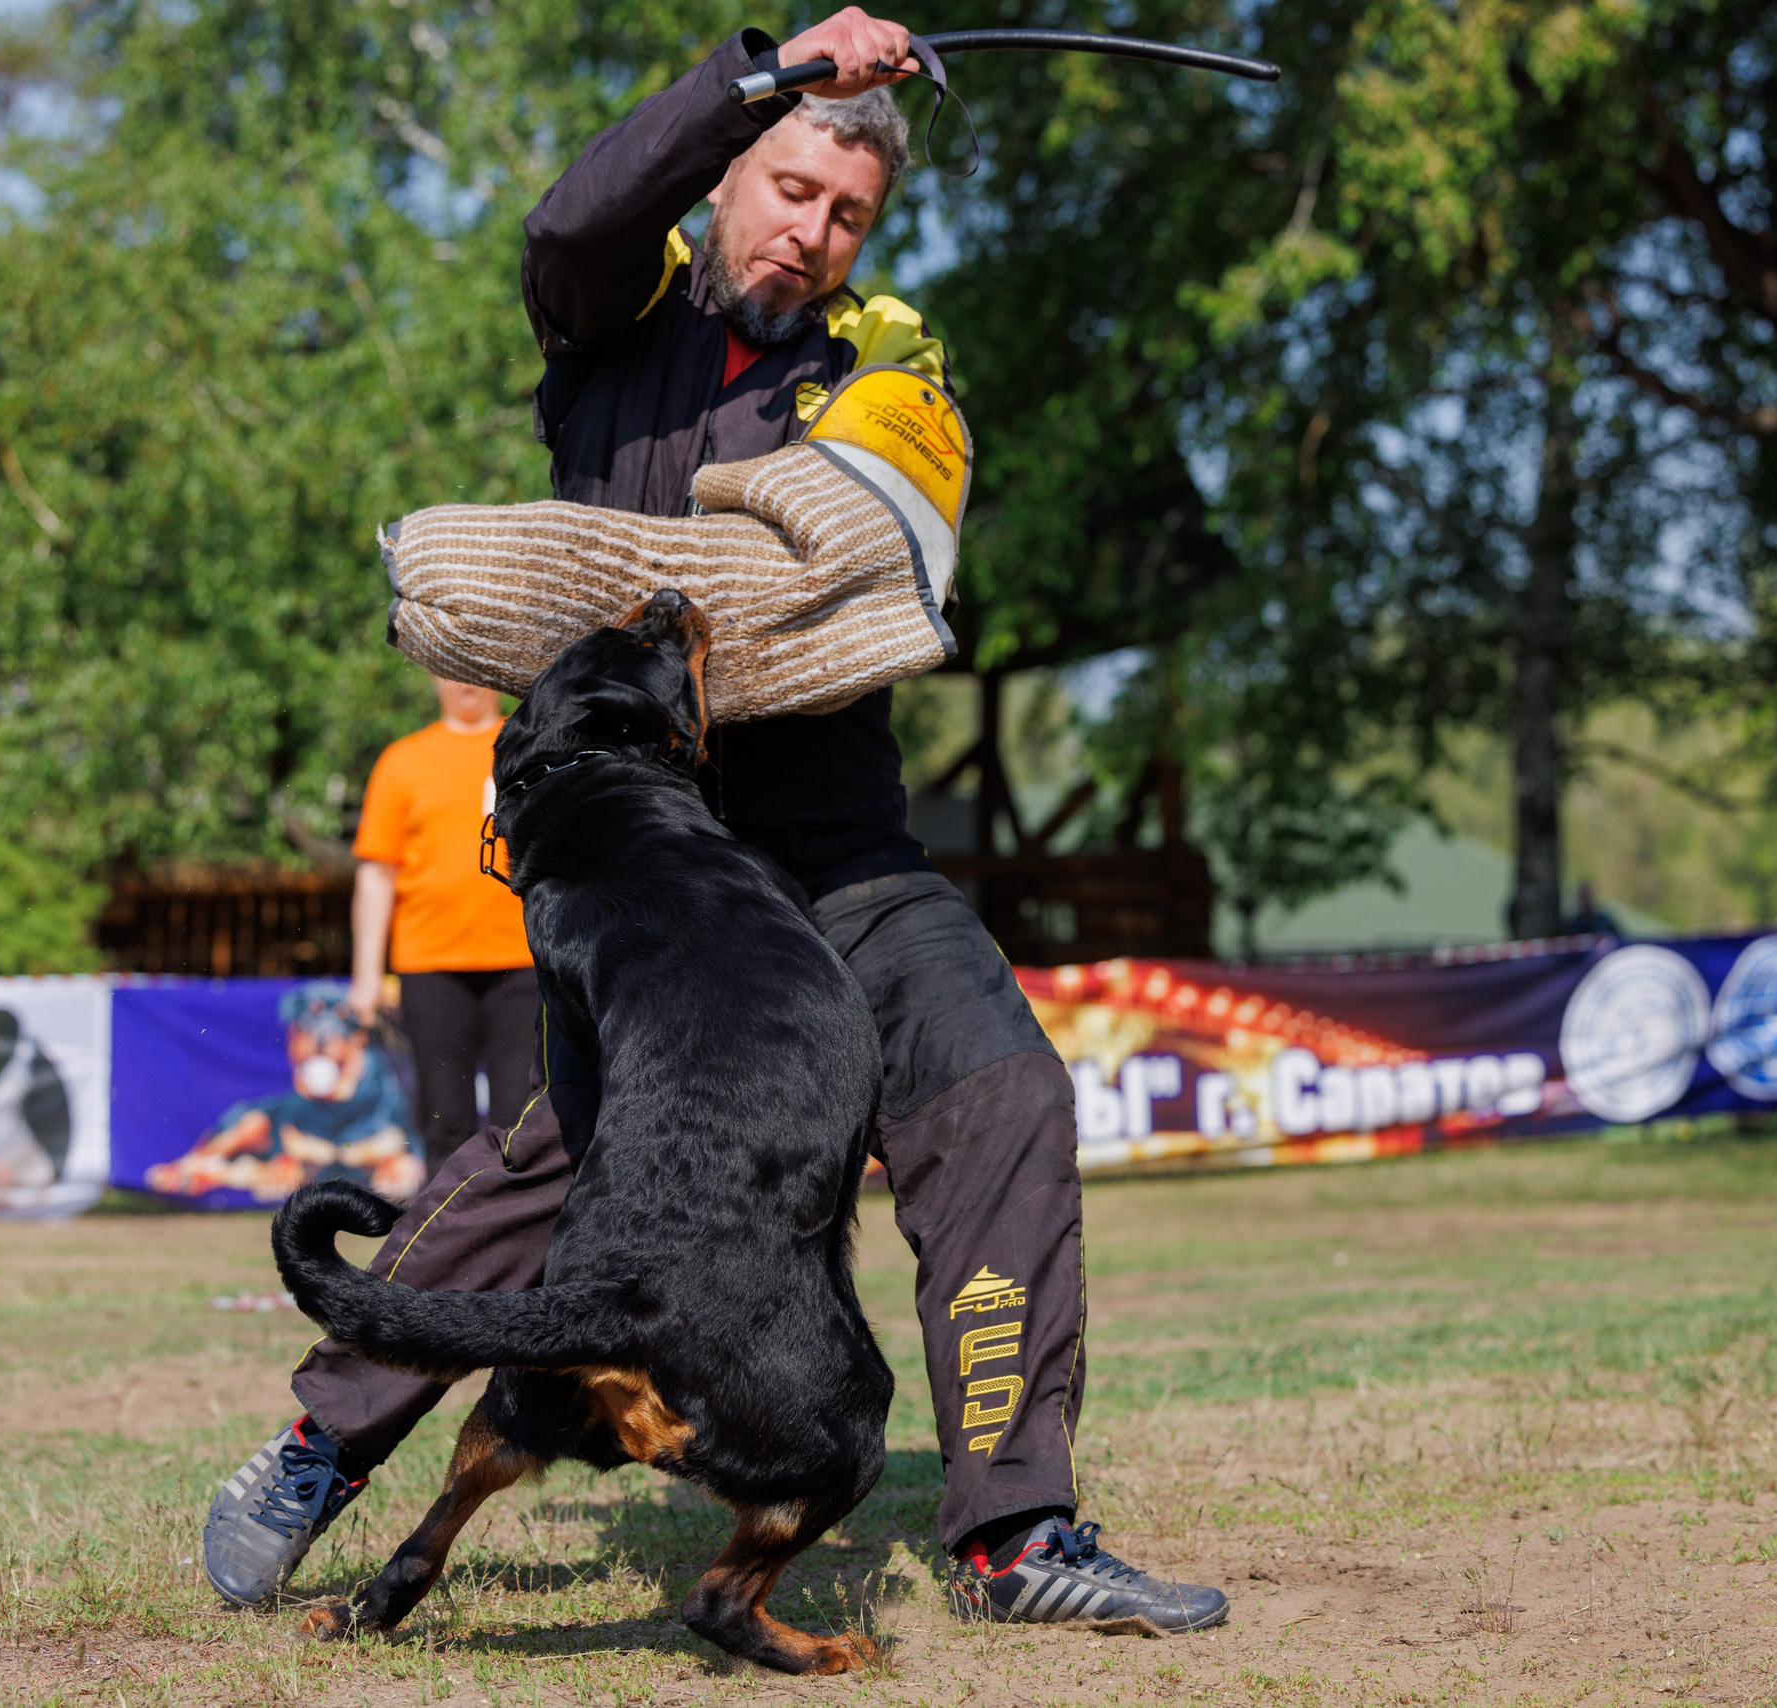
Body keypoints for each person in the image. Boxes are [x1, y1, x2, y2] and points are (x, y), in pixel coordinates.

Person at [201, 7, 1230, 1637]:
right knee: (569, 1161)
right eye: (791, 190)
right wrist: (768, 75)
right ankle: (324, 1443)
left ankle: (1017, 1528)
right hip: (653, 858)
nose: (811, 235)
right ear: (730, 178)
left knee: (1002, 1090)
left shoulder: (887, 360)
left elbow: (885, 549)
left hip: (838, 848)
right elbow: (570, 221)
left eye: (846, 215)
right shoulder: (625, 316)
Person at [346, 674, 539, 1172]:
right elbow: (376, 874)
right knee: (442, 1121)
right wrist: (366, 975)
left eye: (474, 670)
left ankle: (514, 1246)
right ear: (433, 675)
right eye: (450, 670)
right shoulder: (402, 761)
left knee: (519, 1124)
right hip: (430, 966)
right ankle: (448, 1246)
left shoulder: (527, 749)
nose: (464, 684)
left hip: (522, 962)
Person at [144, 985, 423, 1204]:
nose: (321, 1043)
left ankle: (211, 1171)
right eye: (309, 1034)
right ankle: (193, 1166)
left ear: (358, 1042)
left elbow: (398, 1146)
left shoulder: (383, 1097)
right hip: (283, 1155)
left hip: (348, 1157)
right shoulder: (294, 1109)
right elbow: (295, 1150)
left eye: (334, 1034)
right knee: (252, 1126)